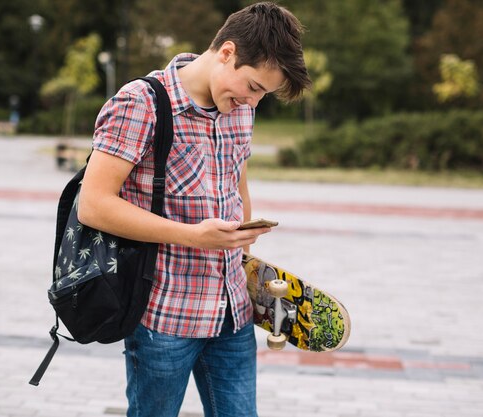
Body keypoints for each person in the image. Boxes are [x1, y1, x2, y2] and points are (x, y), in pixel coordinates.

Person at [78, 2, 311, 416]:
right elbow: (93, 207)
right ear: (227, 52)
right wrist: (193, 236)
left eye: (263, 95)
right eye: (254, 87)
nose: (253, 103)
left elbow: (236, 179)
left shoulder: (236, 109)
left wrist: (244, 252)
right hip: (164, 318)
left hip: (232, 314)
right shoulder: (140, 103)